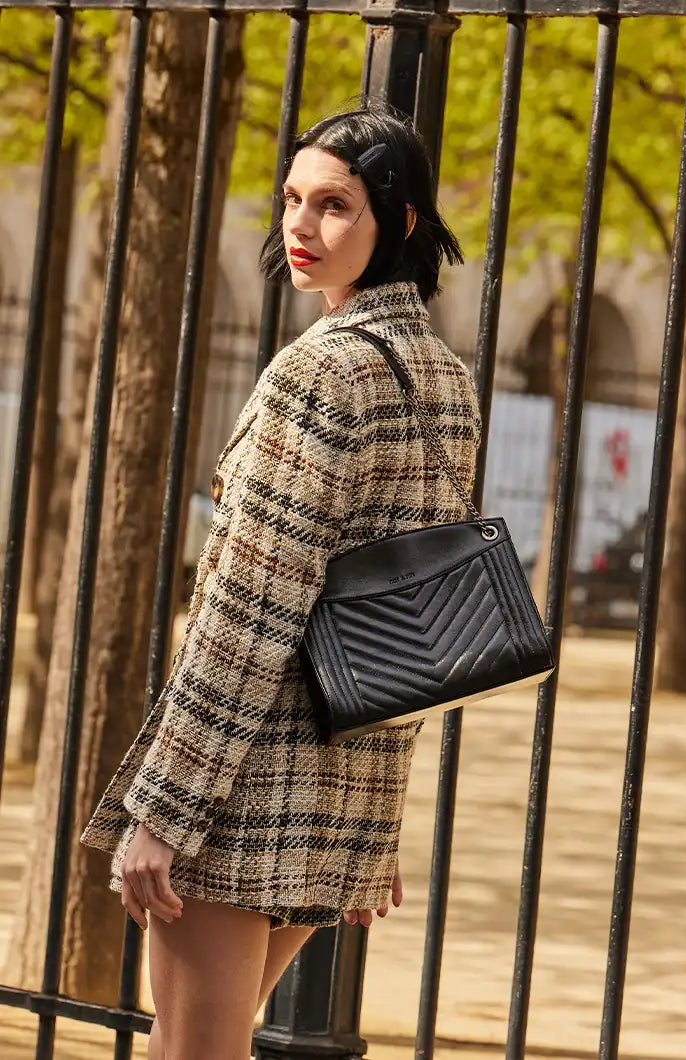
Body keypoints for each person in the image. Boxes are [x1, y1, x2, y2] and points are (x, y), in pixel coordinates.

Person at [81, 102, 482, 1060]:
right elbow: (418, 612)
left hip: (245, 785)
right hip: (343, 786)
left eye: (335, 205)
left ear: (402, 221)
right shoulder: (445, 377)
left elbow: (248, 611)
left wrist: (165, 811)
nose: (301, 226)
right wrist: (375, 818)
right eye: (293, 200)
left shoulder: (319, 374)